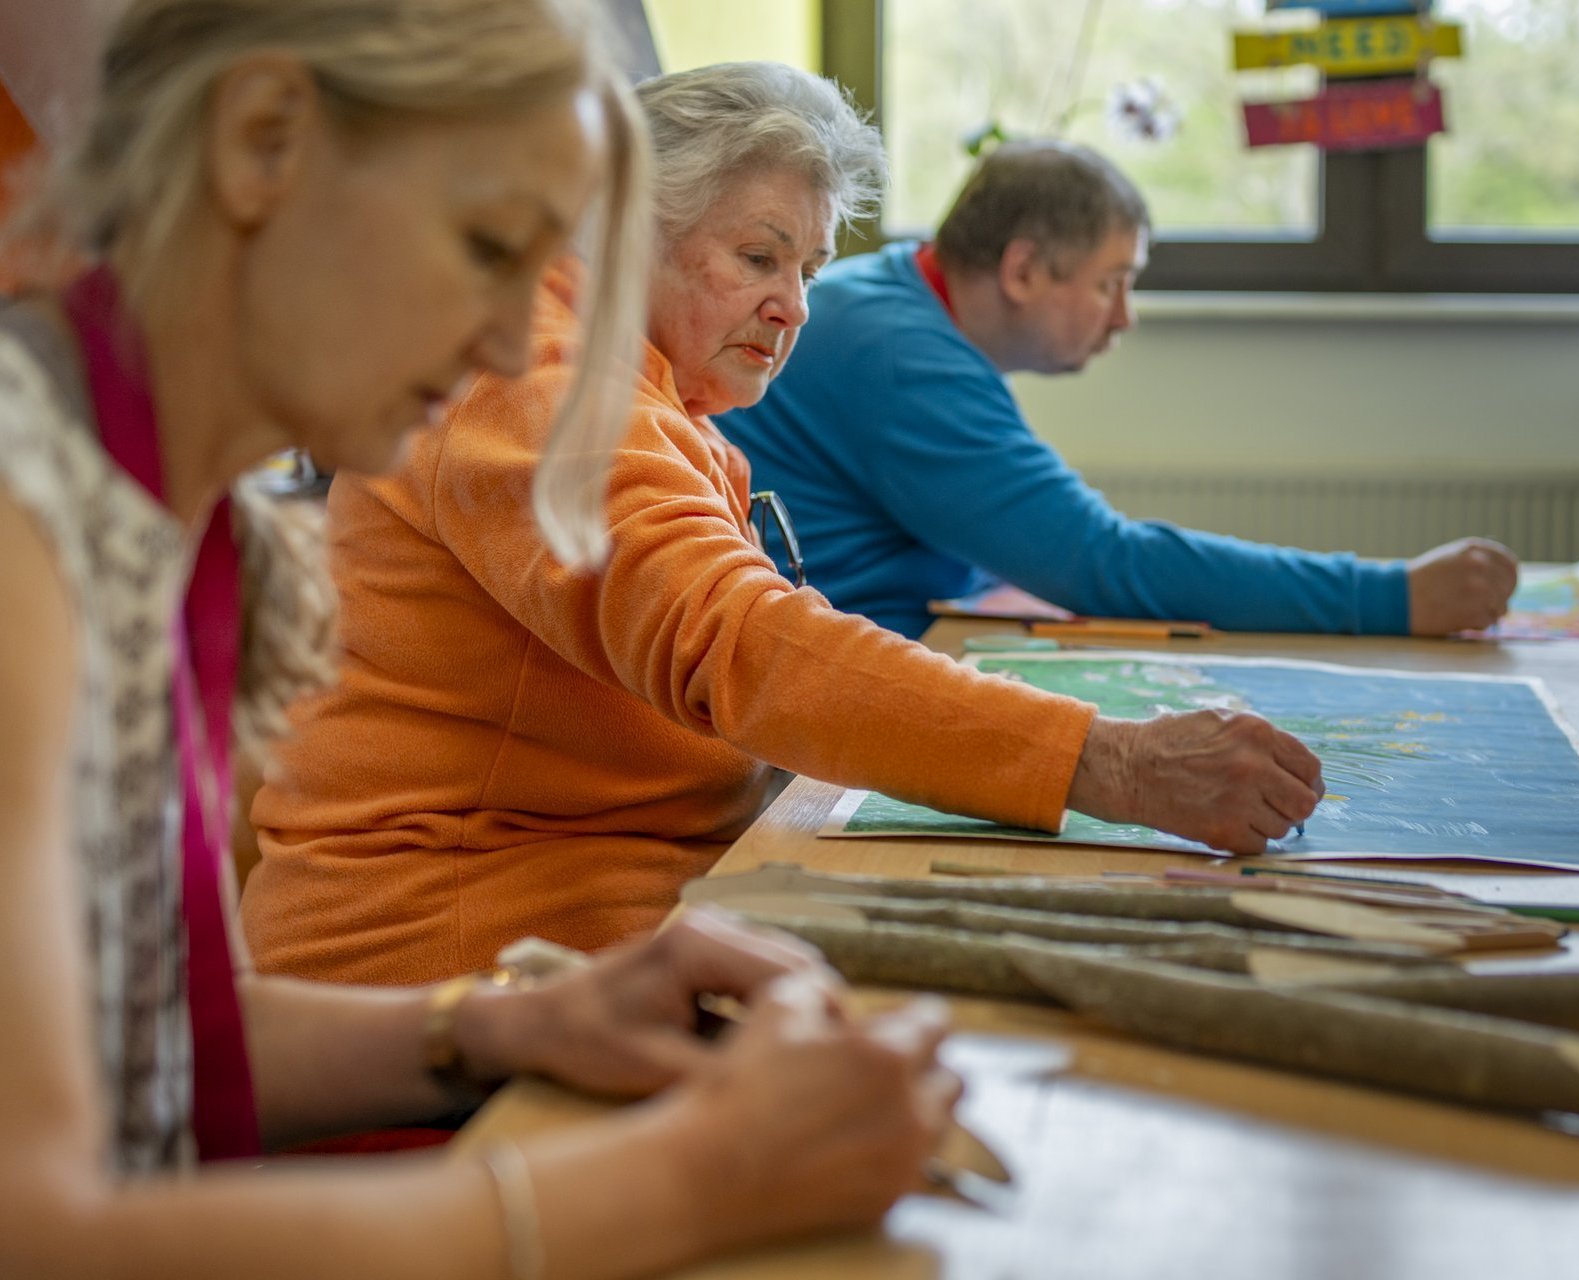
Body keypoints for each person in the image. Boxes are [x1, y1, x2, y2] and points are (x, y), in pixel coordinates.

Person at [0, 3, 963, 1275]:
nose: (514, 338)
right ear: (262, 142)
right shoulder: (26, 520)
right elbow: (39, 1225)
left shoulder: (183, 517)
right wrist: (697, 1174)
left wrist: (511, 1020)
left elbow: (165, 1044)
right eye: (486, 246)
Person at [241, 62, 1324, 990]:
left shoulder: (636, 385)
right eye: (757, 257)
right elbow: (738, 639)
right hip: (463, 955)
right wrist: (1118, 766)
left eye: (805, 267)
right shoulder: (532, 379)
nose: (794, 304)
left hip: (600, 905)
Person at [717, 140, 1520, 641]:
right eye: (1113, 283)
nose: (1124, 318)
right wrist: (1390, 596)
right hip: (849, 696)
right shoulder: (897, 353)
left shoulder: (893, 304)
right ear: (1024, 269)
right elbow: (1101, 562)